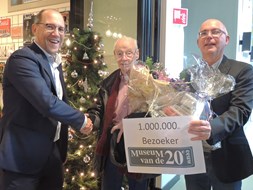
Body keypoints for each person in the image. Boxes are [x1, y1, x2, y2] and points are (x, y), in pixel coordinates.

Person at [0, 9, 93, 190]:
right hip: (22, 159)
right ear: (34, 29)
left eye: (61, 29)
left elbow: (58, 101)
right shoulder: (23, 59)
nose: (56, 33)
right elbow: (46, 102)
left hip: (51, 156)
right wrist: (80, 120)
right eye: (50, 27)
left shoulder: (54, 62)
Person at [184, 18, 253, 190]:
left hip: (228, 156)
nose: (209, 36)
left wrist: (211, 128)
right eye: (203, 33)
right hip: (193, 156)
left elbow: (240, 110)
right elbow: (182, 107)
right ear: (198, 42)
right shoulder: (187, 75)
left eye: (215, 32)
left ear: (226, 39)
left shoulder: (243, 71)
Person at [87, 36, 152, 190]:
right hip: (113, 141)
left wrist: (130, 123)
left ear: (137, 54)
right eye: (119, 54)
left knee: (138, 186)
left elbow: (157, 113)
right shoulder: (109, 82)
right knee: (109, 185)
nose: (124, 58)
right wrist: (89, 119)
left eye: (129, 53)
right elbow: (99, 109)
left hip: (140, 142)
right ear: (115, 55)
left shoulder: (151, 81)